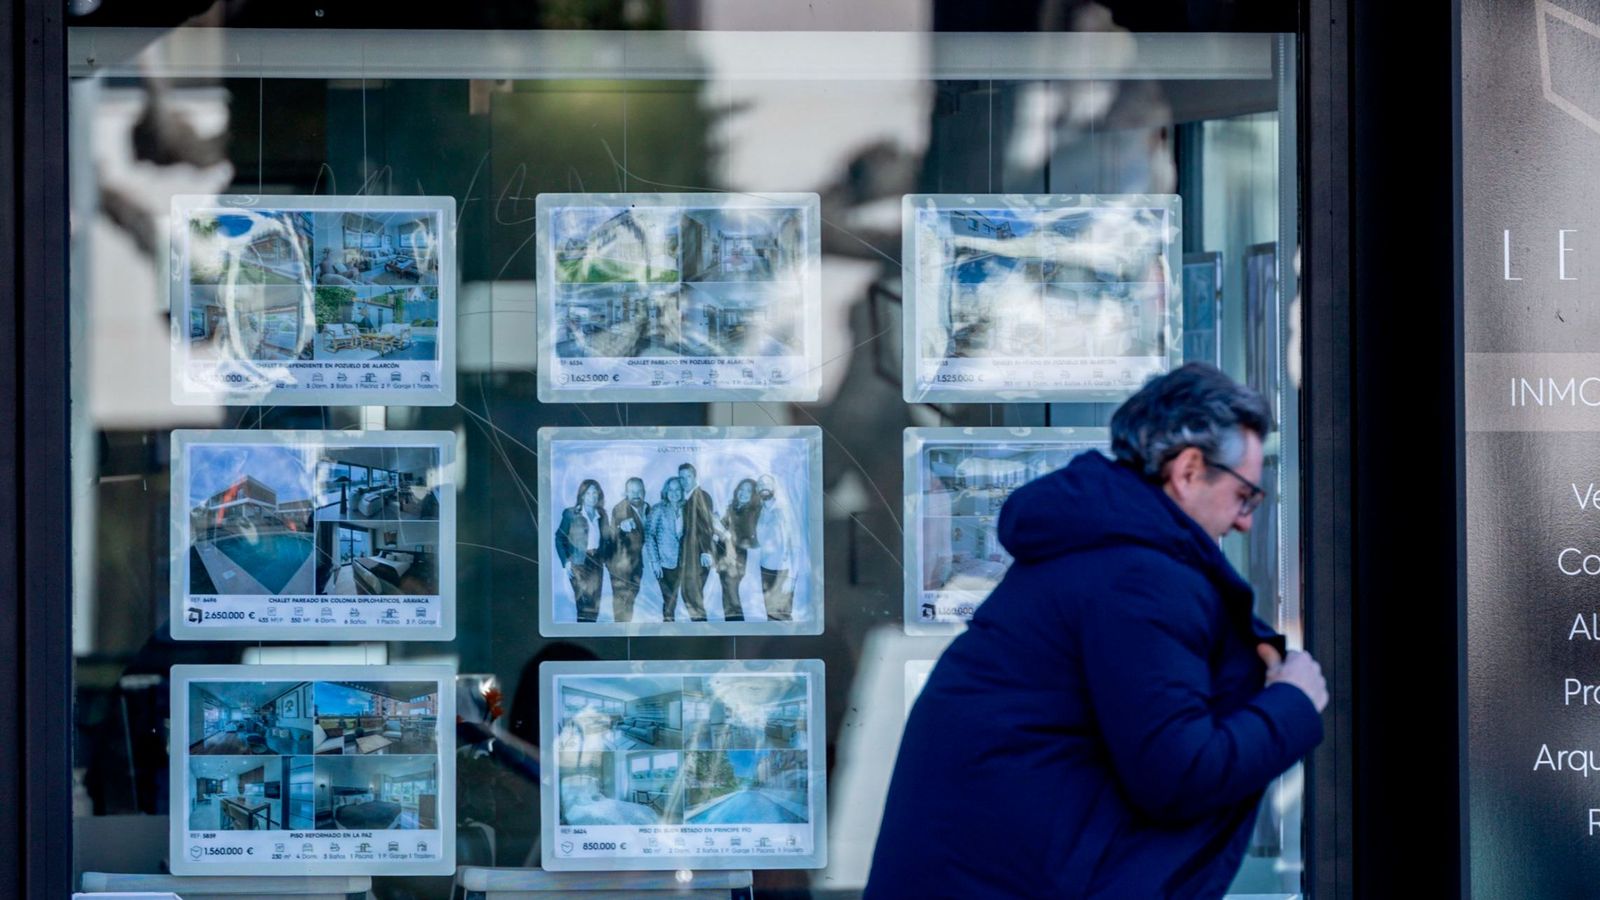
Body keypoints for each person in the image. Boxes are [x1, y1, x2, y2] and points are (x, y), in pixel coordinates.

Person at [866, 363, 1328, 899]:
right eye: (1244, 495)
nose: (1244, 520)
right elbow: (1177, 776)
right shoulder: (1138, 579)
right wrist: (1292, 701)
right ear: (1188, 471)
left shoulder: (1095, 555)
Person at [554, 479, 612, 623]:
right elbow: (559, 538)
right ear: (582, 495)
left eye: (595, 493)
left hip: (596, 562)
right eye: (588, 493)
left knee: (594, 604)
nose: (592, 496)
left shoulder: (602, 515)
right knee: (584, 603)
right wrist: (566, 562)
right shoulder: (571, 514)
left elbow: (607, 539)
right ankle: (584, 634)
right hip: (578, 563)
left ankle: (590, 635)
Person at [675, 462, 719, 622]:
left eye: (688, 476)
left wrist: (706, 551)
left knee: (691, 592)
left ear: (695, 477)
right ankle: (700, 627)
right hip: (689, 553)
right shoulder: (687, 498)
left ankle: (700, 628)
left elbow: (707, 525)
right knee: (690, 593)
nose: (685, 480)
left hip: (698, 553)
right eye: (682, 478)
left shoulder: (702, 496)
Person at [714, 478, 762, 622]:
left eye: (748, 491)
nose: (743, 493)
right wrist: (716, 521)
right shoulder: (734, 508)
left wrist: (722, 530)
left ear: (753, 495)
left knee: (731, 595)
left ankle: (736, 625)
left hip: (737, 557)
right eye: (741, 489)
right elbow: (721, 529)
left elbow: (745, 538)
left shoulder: (752, 512)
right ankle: (732, 625)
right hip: (723, 555)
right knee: (727, 594)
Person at [606, 477, 650, 623]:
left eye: (639, 491)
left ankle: (625, 631)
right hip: (620, 566)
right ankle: (620, 634)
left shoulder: (648, 508)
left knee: (630, 601)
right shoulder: (620, 509)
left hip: (637, 564)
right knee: (621, 605)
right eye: (632, 491)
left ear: (644, 491)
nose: (636, 494)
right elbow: (612, 535)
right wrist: (621, 527)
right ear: (626, 493)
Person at [754, 474, 796, 621]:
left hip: (781, 570)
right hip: (765, 568)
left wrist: (788, 578)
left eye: (766, 484)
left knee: (781, 616)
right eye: (760, 484)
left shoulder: (782, 510)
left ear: (774, 487)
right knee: (770, 615)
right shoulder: (761, 511)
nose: (763, 487)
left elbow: (791, 544)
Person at [645, 476, 686, 622]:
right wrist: (654, 561)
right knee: (669, 598)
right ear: (666, 492)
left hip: (683, 561)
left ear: (682, 491)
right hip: (663, 563)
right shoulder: (658, 509)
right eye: (671, 490)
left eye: (678, 490)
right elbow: (649, 535)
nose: (674, 493)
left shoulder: (687, 508)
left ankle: (670, 625)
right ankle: (669, 626)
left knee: (675, 598)